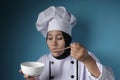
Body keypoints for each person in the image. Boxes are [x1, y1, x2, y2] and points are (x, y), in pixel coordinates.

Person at [20, 6, 115, 80]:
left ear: (67, 40)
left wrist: (87, 60)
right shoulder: (42, 61)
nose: (54, 43)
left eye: (59, 38)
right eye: (49, 38)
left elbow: (109, 78)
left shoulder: (84, 56)